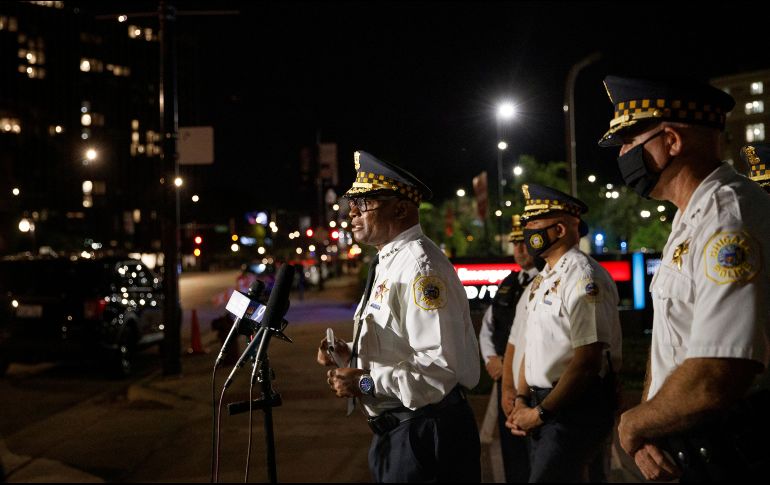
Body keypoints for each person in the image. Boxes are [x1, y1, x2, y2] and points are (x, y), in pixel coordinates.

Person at [598, 75, 770, 482]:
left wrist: (634, 425)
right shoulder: (690, 218)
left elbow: (718, 372)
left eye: (629, 141)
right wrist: (649, 428)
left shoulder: (729, 216)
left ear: (671, 141)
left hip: (732, 454)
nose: (623, 154)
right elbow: (670, 346)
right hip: (686, 450)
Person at [316, 150, 481, 483]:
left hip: (425, 432)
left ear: (401, 207)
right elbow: (400, 342)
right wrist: (351, 352)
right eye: (352, 205)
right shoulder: (389, 261)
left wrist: (364, 381)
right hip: (399, 432)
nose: (353, 213)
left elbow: (439, 370)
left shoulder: (421, 269)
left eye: (363, 204)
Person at [507, 183, 622, 482]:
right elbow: (530, 347)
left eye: (534, 223)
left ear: (559, 230)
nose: (528, 230)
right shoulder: (542, 280)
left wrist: (540, 413)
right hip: (543, 406)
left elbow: (587, 362)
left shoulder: (584, 277)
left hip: (573, 409)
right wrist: (522, 399)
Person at [479, 215, 538, 482]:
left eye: (525, 243)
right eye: (516, 244)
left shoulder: (547, 280)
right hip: (505, 381)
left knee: (537, 452)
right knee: (511, 448)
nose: (520, 249)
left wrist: (511, 365)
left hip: (533, 384)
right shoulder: (509, 283)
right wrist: (491, 358)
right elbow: (487, 327)